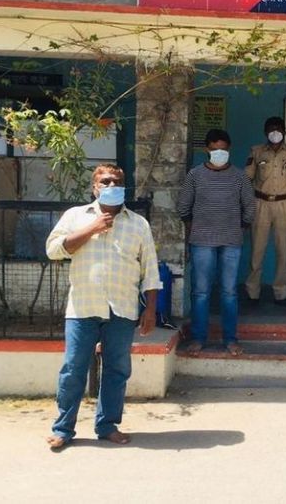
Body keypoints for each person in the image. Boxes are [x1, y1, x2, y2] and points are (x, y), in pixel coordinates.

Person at [45, 164, 161, 450]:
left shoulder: (138, 224)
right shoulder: (76, 216)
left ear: (124, 186)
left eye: (117, 182)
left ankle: (107, 425)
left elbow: (150, 270)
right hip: (83, 307)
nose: (111, 186)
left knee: (117, 369)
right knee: (73, 368)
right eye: (105, 181)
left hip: (122, 308)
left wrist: (150, 310)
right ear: (94, 187)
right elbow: (53, 250)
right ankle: (63, 429)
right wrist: (92, 228)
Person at [177, 129, 256, 356]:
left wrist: (241, 226)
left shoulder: (239, 176)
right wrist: (192, 227)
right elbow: (183, 206)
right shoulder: (195, 175)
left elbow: (250, 206)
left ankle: (230, 339)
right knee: (200, 292)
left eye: (222, 149)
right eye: (214, 149)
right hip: (201, 240)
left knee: (229, 292)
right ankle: (198, 338)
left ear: (229, 149)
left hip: (231, 240)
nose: (219, 153)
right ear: (207, 150)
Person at [245, 116, 286, 305]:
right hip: (261, 202)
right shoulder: (256, 151)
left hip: (285, 203)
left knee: (283, 249)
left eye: (278, 129)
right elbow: (247, 179)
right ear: (265, 132)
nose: (275, 132)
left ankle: (281, 293)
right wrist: (246, 206)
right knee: (257, 250)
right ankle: (252, 292)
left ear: (285, 132)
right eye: (271, 129)